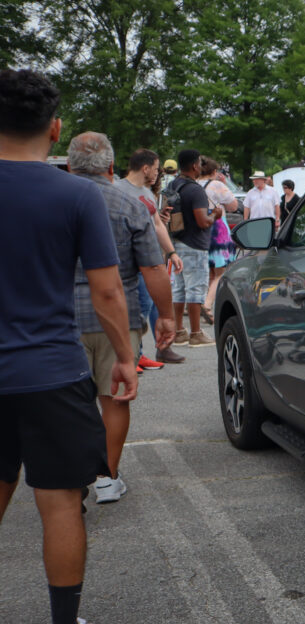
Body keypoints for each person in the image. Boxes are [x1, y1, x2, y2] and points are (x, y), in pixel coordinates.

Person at [0, 68, 136, 624]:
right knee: (59, 501)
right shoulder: (78, 195)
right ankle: (63, 619)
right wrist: (126, 358)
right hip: (52, 372)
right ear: (55, 129)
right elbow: (106, 291)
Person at [67, 132, 176, 504]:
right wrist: (166, 316)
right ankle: (106, 477)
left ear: (69, 166)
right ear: (112, 167)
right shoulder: (130, 204)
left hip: (62, 317)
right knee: (115, 399)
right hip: (120, 314)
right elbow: (153, 268)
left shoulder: (53, 200)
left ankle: (70, 479)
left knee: (68, 401)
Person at [114, 148, 185, 367]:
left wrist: (172, 252)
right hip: (125, 264)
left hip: (147, 261)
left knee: (147, 305)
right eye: (155, 169)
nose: (158, 173)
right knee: (136, 309)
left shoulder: (146, 193)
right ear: (145, 168)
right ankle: (129, 356)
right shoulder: (117, 190)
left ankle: (141, 353)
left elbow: (156, 226)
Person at [167, 149, 221, 347]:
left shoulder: (174, 184)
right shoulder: (195, 190)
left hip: (176, 241)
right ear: (194, 166)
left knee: (179, 288)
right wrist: (215, 215)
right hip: (194, 245)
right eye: (199, 163)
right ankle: (196, 333)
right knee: (195, 288)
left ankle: (179, 331)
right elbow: (202, 221)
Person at [199, 156, 239, 322]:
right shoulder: (216, 185)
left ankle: (200, 302)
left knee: (207, 270)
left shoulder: (192, 184)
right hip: (217, 229)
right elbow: (233, 206)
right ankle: (207, 305)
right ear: (214, 172)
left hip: (199, 229)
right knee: (220, 272)